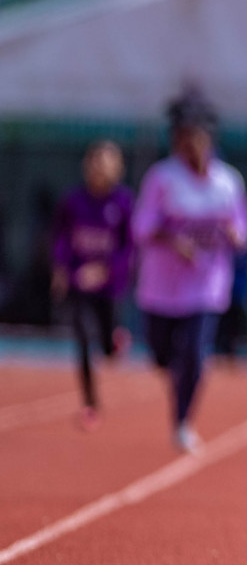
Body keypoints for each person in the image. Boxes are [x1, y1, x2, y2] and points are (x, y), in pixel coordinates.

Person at [131, 91, 247, 453]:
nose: (192, 145)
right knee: (161, 355)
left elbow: (243, 227)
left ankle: (183, 421)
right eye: (184, 138)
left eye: (198, 138)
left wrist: (236, 235)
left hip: (206, 287)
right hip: (161, 287)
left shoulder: (228, 182)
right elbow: (141, 227)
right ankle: (176, 380)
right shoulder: (162, 178)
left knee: (196, 355)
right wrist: (173, 240)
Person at [51, 140, 135, 429]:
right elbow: (61, 238)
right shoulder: (73, 200)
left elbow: (128, 248)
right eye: (94, 160)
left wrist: (106, 270)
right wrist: (61, 270)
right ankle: (90, 404)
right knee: (84, 340)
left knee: (108, 349)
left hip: (109, 287)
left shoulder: (123, 203)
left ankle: (116, 340)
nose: (98, 167)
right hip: (79, 284)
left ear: (117, 168)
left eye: (105, 161)